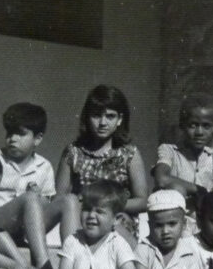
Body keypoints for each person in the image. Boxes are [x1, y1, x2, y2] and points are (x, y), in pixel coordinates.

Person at [0, 102, 77, 269]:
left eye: (20, 133)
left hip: (27, 230)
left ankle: (74, 262)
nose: (12, 139)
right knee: (30, 197)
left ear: (38, 138)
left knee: (69, 201)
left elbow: (46, 204)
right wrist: (31, 199)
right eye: (9, 133)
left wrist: (38, 200)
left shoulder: (44, 167)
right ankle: (44, 266)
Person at [55, 85, 149, 244]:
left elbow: (142, 200)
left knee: (117, 226)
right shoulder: (73, 152)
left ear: (120, 119)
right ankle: (75, 259)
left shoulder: (129, 154)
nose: (103, 122)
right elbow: (59, 197)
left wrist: (106, 206)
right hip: (83, 219)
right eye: (97, 115)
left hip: (117, 219)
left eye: (110, 116)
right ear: (87, 117)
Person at [152, 94, 213, 235]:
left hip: (207, 229)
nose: (199, 132)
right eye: (193, 125)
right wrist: (198, 190)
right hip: (175, 229)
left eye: (206, 126)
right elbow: (161, 178)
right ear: (182, 126)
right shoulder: (169, 151)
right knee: (175, 188)